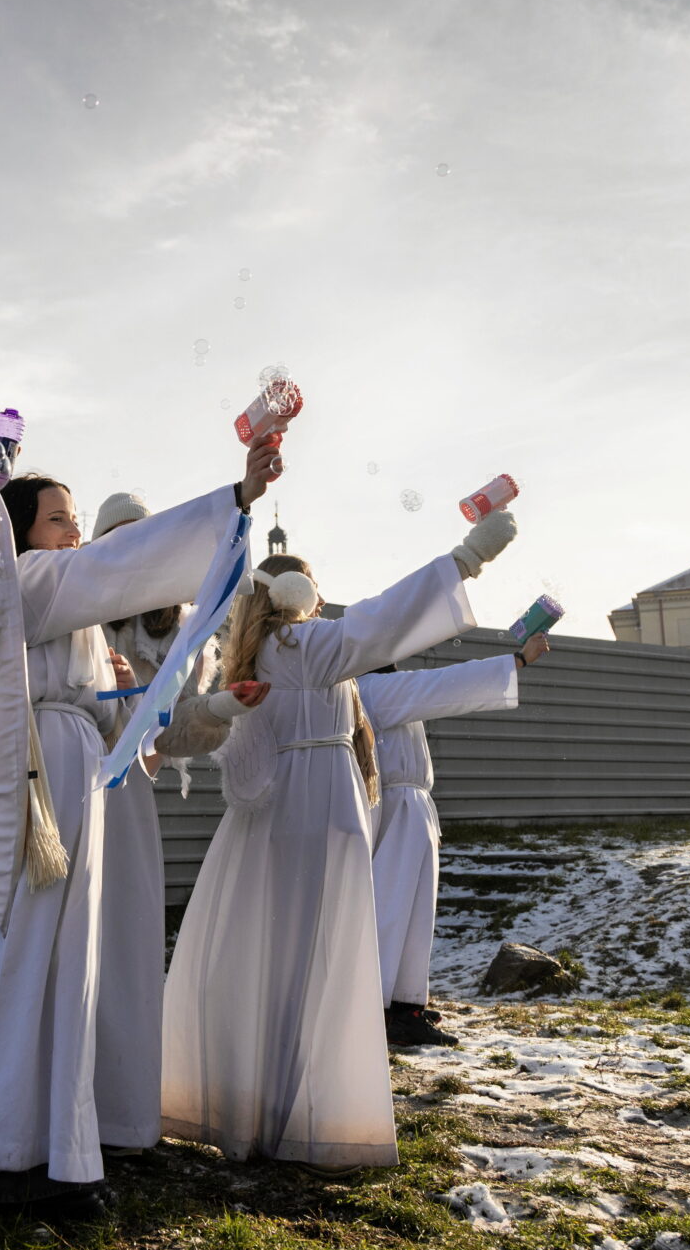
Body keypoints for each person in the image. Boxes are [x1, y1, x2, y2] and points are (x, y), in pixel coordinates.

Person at [0, 431, 285, 1221]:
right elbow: (117, 564)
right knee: (31, 955)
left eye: (75, 517)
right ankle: (3, 1147)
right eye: (59, 518)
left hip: (71, 774)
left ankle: (42, 1135)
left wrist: (129, 696)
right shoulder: (28, 580)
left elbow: (124, 710)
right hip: (42, 778)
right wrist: (234, 500)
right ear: (18, 532)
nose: (75, 531)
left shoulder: (64, 608)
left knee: (60, 959)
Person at [160, 510, 516, 1173]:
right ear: (294, 597)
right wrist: (467, 557)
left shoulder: (260, 654)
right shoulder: (303, 646)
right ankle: (301, 1112)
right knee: (317, 960)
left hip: (288, 808)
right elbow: (382, 620)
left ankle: (259, 1105)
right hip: (321, 804)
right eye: (315, 589)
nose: (323, 602)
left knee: (277, 956)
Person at [90, 493, 269, 1157]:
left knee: (126, 942)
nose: (133, 548)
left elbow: (175, 729)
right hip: (66, 782)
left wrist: (223, 704)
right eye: (118, 536)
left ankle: (120, 1112)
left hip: (127, 798)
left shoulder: (180, 631)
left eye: (144, 535)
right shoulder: (79, 610)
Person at [360, 632, 548, 1048]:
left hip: (403, 807)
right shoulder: (376, 688)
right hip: (396, 810)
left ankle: (401, 1003)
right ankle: (388, 1008)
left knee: (408, 913)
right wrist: (516, 661)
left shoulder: (370, 688)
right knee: (394, 912)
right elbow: (444, 686)